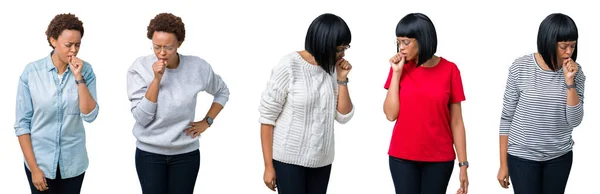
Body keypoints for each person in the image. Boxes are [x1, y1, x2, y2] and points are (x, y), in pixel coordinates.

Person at [126, 13, 230, 194]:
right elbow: (142, 118)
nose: (162, 53)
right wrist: (156, 80)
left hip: (186, 154)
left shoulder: (198, 67)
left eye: (169, 47)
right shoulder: (139, 68)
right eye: (156, 47)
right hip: (149, 154)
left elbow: (222, 92)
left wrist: (207, 122)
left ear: (179, 44)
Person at [258, 13, 355, 194]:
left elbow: (343, 116)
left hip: (322, 161)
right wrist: (268, 166)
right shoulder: (289, 65)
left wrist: (342, 80)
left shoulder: (334, 69)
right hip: (289, 160)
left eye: (345, 48)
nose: (343, 54)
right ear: (322, 43)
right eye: (339, 49)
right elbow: (267, 118)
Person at [496, 13, 585, 194]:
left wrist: (570, 83)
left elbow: (574, 121)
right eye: (563, 46)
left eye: (572, 46)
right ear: (548, 41)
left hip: (559, 157)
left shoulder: (576, 73)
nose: (569, 52)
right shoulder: (520, 67)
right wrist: (503, 164)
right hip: (521, 156)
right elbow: (506, 118)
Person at [382, 13, 469, 194]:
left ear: (423, 39)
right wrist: (396, 74)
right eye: (399, 42)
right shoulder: (399, 69)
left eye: (407, 42)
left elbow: (457, 122)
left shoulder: (450, 70)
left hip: (439, 159)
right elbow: (390, 115)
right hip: (402, 157)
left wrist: (463, 164)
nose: (401, 47)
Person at [14, 13, 99, 194]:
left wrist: (79, 78)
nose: (74, 50)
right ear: (53, 41)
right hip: (40, 164)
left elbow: (90, 115)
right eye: (68, 45)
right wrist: (34, 169)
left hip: (73, 164)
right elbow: (22, 124)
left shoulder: (87, 70)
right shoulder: (32, 72)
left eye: (78, 44)